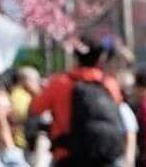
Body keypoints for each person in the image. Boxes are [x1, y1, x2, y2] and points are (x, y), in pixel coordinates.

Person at [30, 39, 125, 167]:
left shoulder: (60, 83)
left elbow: (35, 108)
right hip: (104, 153)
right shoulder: (109, 84)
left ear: (76, 57)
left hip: (68, 154)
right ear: (99, 59)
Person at [10, 68, 42, 153]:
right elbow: (19, 117)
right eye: (36, 80)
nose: (39, 84)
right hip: (21, 144)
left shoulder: (22, 94)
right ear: (25, 81)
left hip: (22, 143)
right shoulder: (20, 96)